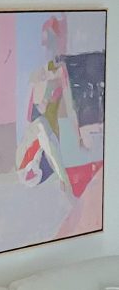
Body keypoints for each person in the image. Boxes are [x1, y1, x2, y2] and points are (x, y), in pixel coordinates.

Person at [16, 15, 86, 196]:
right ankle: (64, 179)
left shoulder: (61, 72)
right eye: (45, 43)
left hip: (49, 152)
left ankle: (62, 176)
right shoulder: (37, 75)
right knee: (40, 124)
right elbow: (30, 115)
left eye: (51, 42)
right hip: (34, 148)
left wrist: (79, 135)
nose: (47, 48)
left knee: (44, 128)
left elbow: (70, 107)